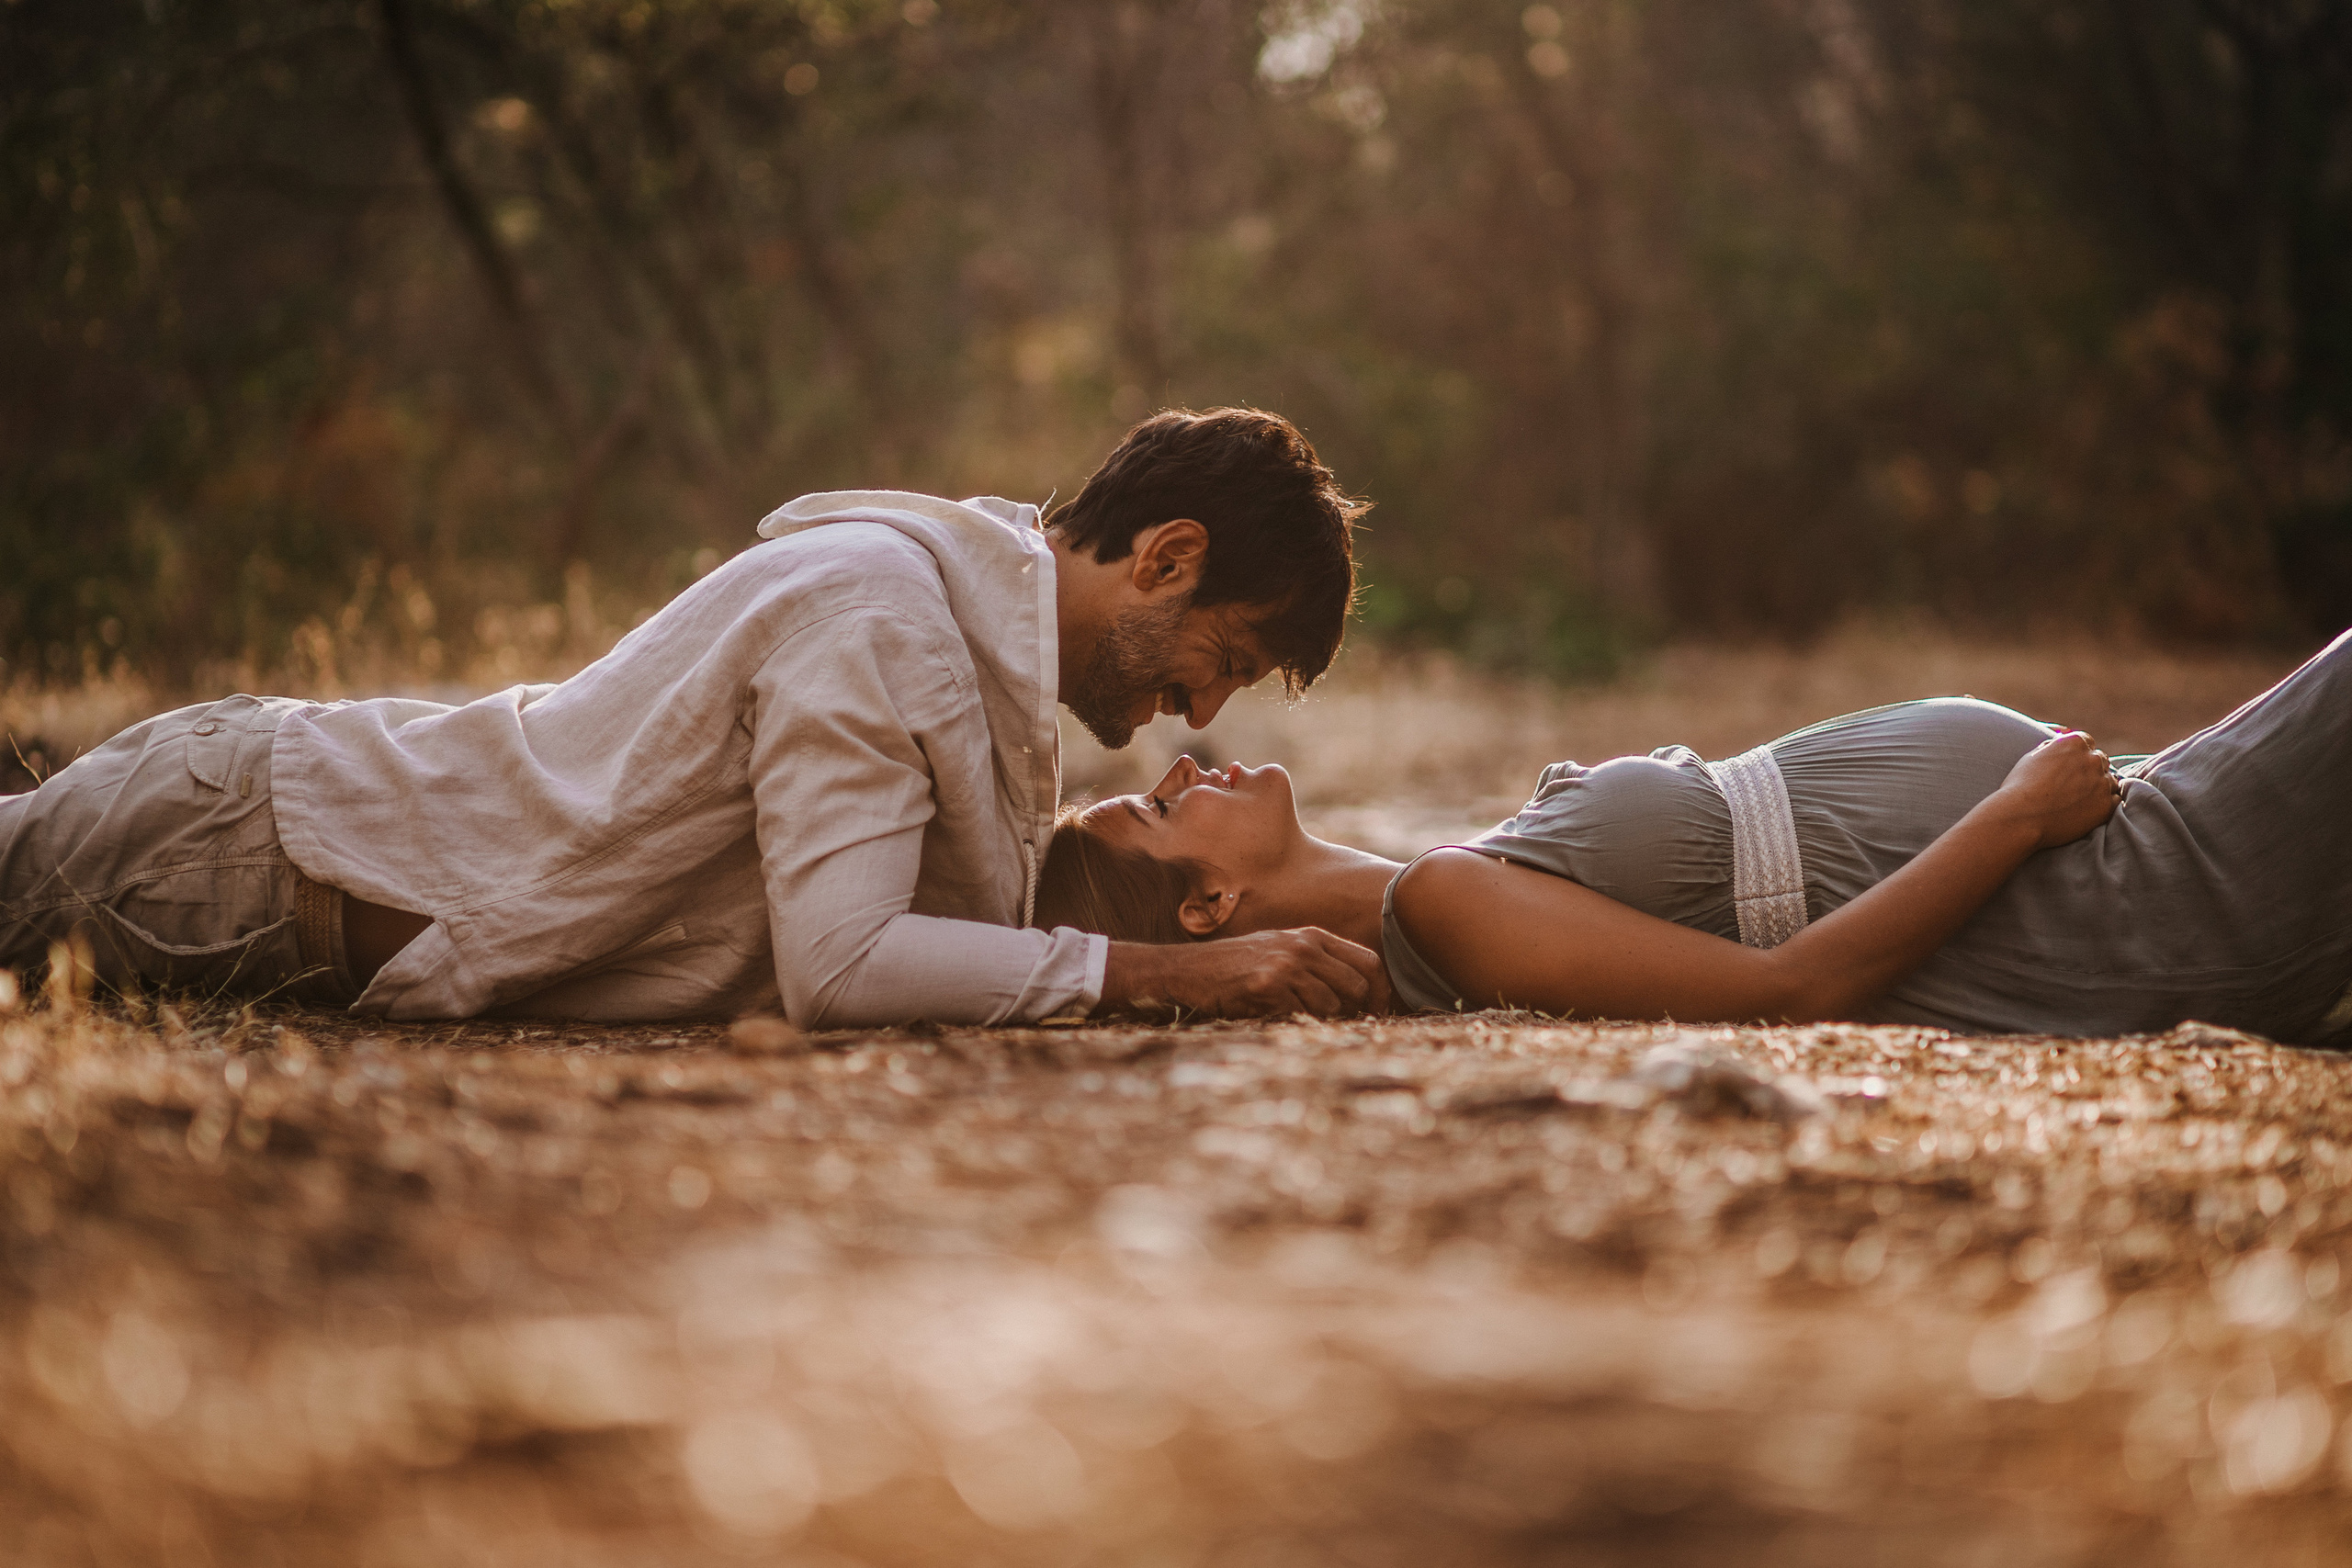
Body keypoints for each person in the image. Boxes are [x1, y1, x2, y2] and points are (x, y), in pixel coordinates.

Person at [0, 407, 1389, 1025]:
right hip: (242, 849)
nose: (1198, 711)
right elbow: (844, 969)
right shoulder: (880, 620)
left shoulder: (971, 661)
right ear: (1164, 556)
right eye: (1224, 656)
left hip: (270, 868)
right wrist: (1175, 978)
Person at [1036, 629, 2352, 1043]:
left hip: (2115, 833)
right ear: (1206, 907)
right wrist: (2011, 814)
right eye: (1163, 811)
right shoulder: (1442, 906)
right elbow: (1793, 993)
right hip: (2130, 896)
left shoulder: (1442, 882)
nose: (1188, 766)